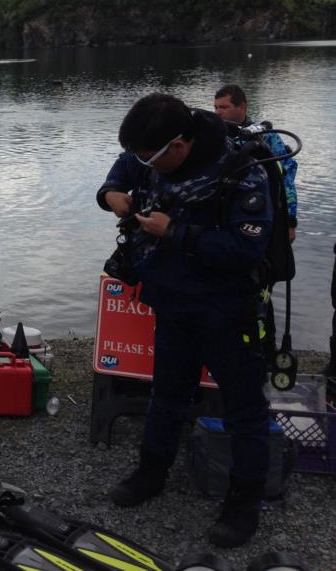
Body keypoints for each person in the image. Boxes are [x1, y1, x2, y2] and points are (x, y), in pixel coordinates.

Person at [97, 94, 273, 549]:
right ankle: (151, 472)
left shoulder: (241, 172)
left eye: (148, 158)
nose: (142, 165)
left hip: (227, 311)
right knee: (167, 394)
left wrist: (173, 232)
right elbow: (125, 168)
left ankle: (243, 501)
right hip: (171, 304)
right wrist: (110, 193)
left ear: (178, 146)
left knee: (244, 410)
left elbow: (246, 249)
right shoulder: (153, 154)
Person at [214, 84, 298, 242]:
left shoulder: (265, 136)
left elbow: (287, 177)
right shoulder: (213, 135)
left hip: (262, 213)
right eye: (216, 107)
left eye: (224, 107)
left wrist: (290, 221)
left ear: (242, 107)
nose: (217, 112)